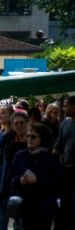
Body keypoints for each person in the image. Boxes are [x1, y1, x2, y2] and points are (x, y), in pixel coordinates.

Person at [8, 122, 61, 229]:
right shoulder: (20, 155)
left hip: (44, 209)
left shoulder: (51, 159)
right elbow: (10, 179)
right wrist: (20, 180)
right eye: (27, 136)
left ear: (43, 138)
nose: (29, 139)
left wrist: (37, 181)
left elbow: (57, 185)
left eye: (33, 136)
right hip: (24, 207)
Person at [53, 96, 75, 230]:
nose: (63, 108)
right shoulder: (65, 124)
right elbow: (58, 145)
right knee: (64, 205)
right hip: (66, 171)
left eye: (66, 105)